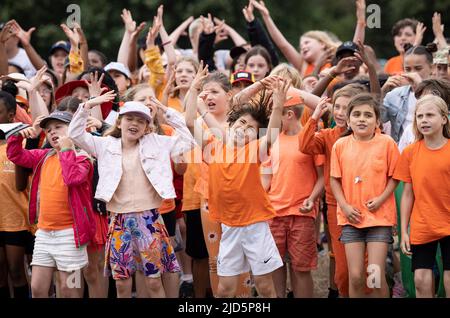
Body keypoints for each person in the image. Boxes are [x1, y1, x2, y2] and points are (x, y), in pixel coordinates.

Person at [68, 92, 195, 298]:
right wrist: (88, 105)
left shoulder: (158, 143)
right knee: (122, 284)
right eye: (129, 118)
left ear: (148, 126)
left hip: (150, 220)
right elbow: (74, 134)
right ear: (119, 122)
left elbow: (189, 141)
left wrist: (166, 111)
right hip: (118, 220)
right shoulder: (105, 145)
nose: (134, 124)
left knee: (154, 282)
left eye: (140, 121)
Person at [186, 68, 291, 297]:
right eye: (241, 123)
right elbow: (189, 121)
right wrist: (194, 89)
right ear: (231, 125)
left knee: (264, 287)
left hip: (255, 227)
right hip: (230, 227)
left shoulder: (254, 150)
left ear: (256, 135)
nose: (244, 129)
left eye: (251, 128)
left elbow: (272, 133)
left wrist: (279, 104)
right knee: (225, 289)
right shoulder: (213, 148)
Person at [6, 110, 96, 298]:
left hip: (71, 235)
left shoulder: (83, 158)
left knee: (69, 289)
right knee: (38, 289)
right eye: (48, 130)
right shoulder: (44, 156)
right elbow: (15, 156)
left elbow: (71, 178)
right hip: (44, 232)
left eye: (58, 127)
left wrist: (66, 150)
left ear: (74, 129)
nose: (52, 132)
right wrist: (17, 137)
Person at [330, 93, 400, 298]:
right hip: (351, 217)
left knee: (374, 275)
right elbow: (334, 179)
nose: (362, 119)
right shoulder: (340, 145)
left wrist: (380, 199)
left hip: (379, 218)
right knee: (356, 276)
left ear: (377, 121)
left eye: (368, 115)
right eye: (357, 114)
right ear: (348, 120)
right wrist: (343, 206)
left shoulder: (386, 143)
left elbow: (395, 176)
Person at [264, 88, 325, 298]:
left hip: (301, 214)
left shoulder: (310, 139)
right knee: (275, 265)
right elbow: (266, 178)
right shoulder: (272, 141)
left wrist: (311, 199)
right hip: (273, 214)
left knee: (301, 268)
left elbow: (322, 177)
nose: (272, 117)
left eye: (276, 111)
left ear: (288, 114)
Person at [394, 95, 450, 298]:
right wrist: (404, 231)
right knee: (420, 279)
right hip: (422, 223)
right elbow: (407, 194)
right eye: (419, 116)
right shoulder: (410, 152)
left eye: (430, 115)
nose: (424, 120)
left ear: (444, 119)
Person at [0, 91, 30, 298]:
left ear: (11, 116)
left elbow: (20, 185)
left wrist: (14, 142)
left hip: (15, 219)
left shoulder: (22, 144)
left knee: (16, 272)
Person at [382, 45, 434, 143]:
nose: (412, 73)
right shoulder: (395, 95)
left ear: (432, 68)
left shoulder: (441, 92)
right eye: (408, 69)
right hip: (403, 152)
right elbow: (379, 119)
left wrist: (421, 87)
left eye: (418, 68)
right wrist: (382, 92)